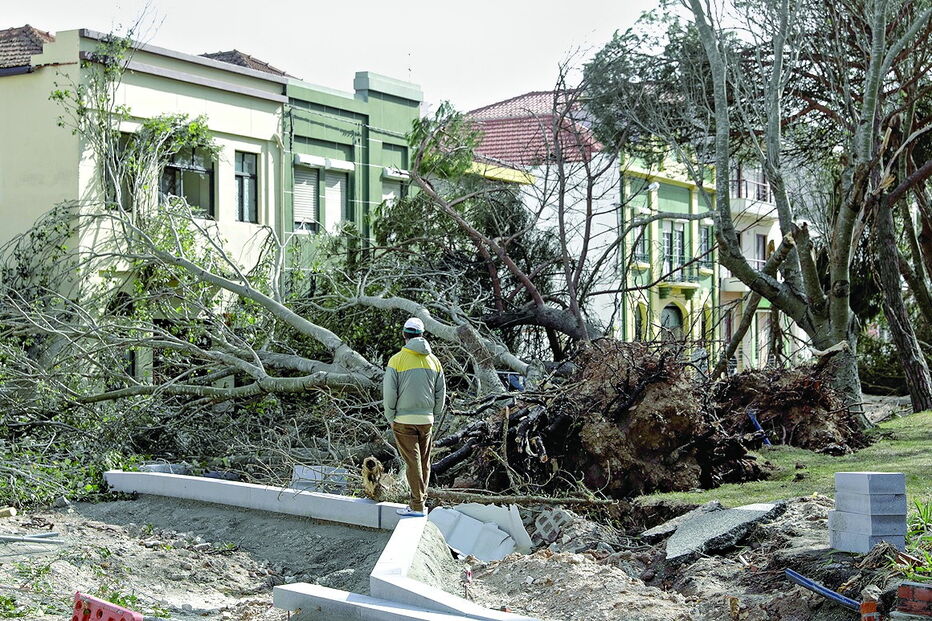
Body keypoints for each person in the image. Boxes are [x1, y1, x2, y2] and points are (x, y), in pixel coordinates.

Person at [383, 317, 445, 517]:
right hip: (426, 420)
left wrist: (390, 415)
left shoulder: (396, 360)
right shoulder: (434, 361)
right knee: (424, 462)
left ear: (404, 335)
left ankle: (417, 506)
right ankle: (421, 503)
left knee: (412, 462)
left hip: (403, 420)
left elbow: (390, 392)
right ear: (422, 335)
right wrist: (434, 413)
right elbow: (440, 391)